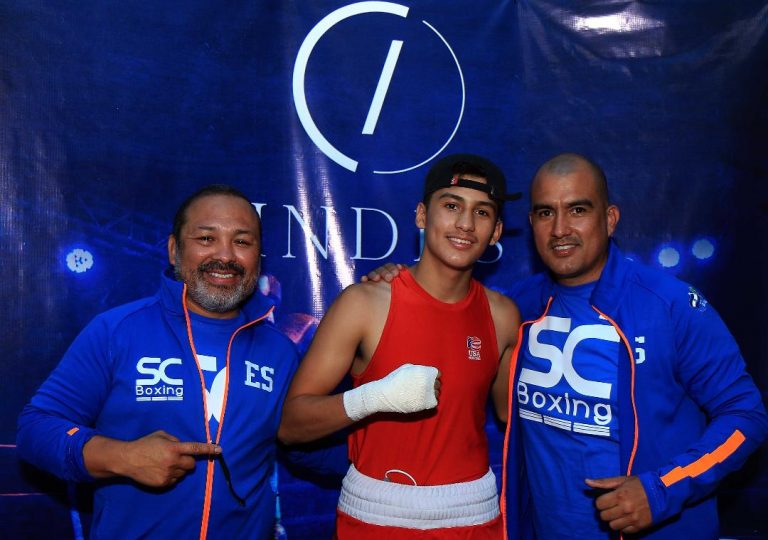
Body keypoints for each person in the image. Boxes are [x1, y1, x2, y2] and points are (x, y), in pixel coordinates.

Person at [367, 153, 768, 539]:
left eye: (578, 210)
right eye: (546, 212)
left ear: (609, 219)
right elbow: (444, 314)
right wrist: (399, 281)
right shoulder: (518, 308)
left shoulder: (668, 304)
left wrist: (662, 489)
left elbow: (746, 415)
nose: (560, 229)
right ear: (531, 223)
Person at [17, 184, 303, 539]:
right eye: (206, 238)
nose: (225, 255)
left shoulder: (280, 351)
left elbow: (309, 447)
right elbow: (36, 428)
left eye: (242, 242)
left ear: (258, 256)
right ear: (173, 249)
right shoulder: (118, 330)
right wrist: (120, 456)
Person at [278, 154, 522, 539]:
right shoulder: (364, 305)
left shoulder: (504, 316)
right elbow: (291, 426)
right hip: (375, 519)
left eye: (482, 212)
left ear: (496, 232)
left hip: (474, 519)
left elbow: (513, 415)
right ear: (422, 216)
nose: (465, 224)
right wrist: (375, 397)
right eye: (452, 206)